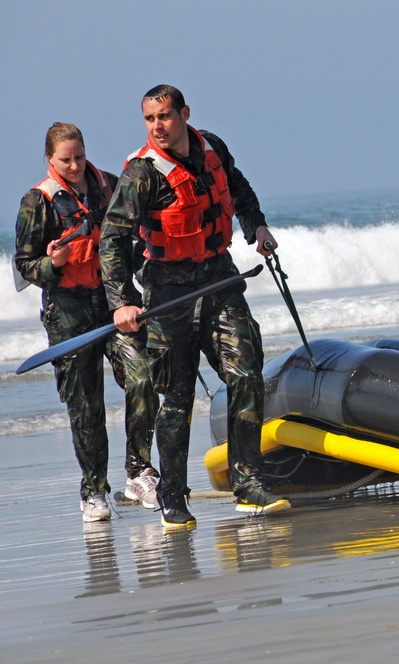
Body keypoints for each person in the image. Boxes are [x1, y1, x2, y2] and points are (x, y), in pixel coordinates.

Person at [100, 85, 290, 528]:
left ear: (184, 114)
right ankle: (172, 494)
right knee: (178, 395)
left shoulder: (212, 147)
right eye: (149, 119)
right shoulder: (141, 175)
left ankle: (248, 484)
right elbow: (112, 241)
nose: (158, 127)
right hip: (168, 291)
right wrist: (122, 302)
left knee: (245, 373)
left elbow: (237, 187)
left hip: (220, 276)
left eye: (164, 116)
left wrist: (256, 227)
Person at [14, 122, 159, 522]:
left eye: (79, 156)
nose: (75, 165)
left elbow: (139, 239)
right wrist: (52, 263)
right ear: (50, 160)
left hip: (115, 303)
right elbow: (24, 266)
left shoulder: (110, 187)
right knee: (86, 406)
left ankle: (139, 471)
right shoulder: (36, 202)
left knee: (143, 376)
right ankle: (94, 491)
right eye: (66, 159)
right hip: (67, 314)